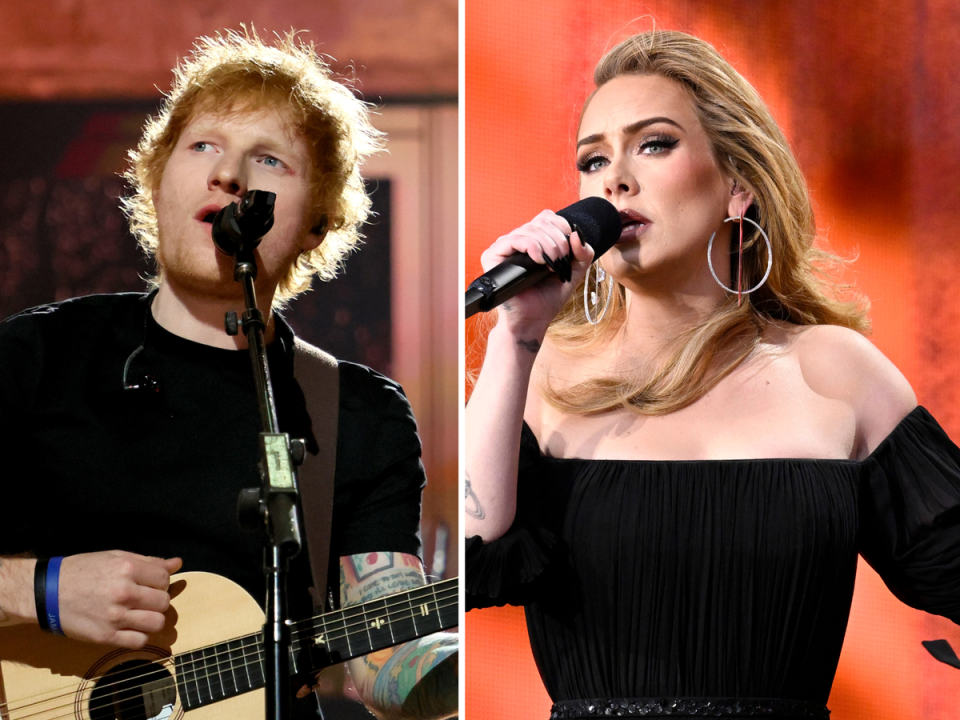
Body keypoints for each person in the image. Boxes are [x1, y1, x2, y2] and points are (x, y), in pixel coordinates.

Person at [464, 29, 960, 719]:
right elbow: (469, 555)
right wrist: (514, 339)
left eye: (654, 144)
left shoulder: (836, 371)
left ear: (738, 186)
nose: (614, 179)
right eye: (593, 159)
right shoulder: (544, 374)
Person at [0, 28, 456, 720]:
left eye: (268, 158)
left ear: (317, 221)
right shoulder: (34, 356)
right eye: (204, 145)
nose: (229, 174)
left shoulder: (354, 414)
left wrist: (459, 644)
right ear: (156, 180)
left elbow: (389, 668)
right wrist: (40, 590)